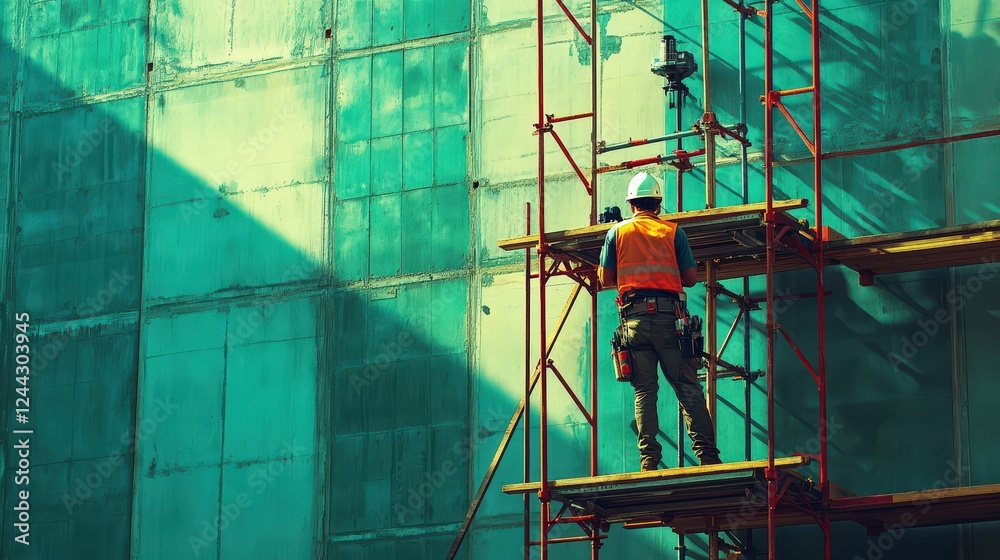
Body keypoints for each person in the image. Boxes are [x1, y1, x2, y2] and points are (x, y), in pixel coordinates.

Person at [597, 171, 722, 471]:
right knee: (688, 388)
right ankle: (707, 457)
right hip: (671, 323)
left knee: (644, 391)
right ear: (658, 203)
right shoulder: (673, 232)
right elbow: (691, 279)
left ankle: (649, 459)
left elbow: (604, 280)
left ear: (631, 205)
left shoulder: (616, 233)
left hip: (634, 322)